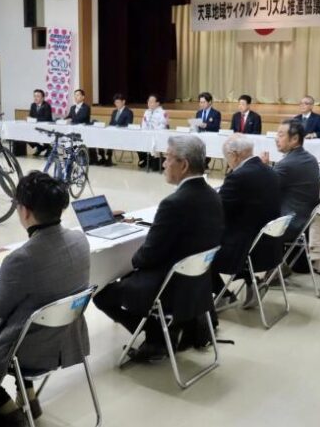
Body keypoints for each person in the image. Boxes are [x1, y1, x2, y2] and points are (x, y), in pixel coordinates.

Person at [0, 171, 90, 427]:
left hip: (29, 351)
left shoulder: (21, 259)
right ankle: (28, 397)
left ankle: (5, 407)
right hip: (66, 341)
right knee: (28, 321)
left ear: (24, 211)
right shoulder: (79, 240)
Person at [94, 135, 223, 362]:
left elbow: (147, 257)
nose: (163, 164)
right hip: (197, 284)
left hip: (168, 288)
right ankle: (162, 333)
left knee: (100, 294)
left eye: (167, 158)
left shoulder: (174, 203)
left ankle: (156, 336)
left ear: (183, 165)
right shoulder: (212, 195)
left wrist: (130, 262)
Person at [211, 134, 280, 308]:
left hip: (243, 248)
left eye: (226, 157)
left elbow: (217, 211)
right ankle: (251, 281)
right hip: (268, 245)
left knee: (194, 246)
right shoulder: (270, 171)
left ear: (234, 155)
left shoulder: (238, 177)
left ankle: (223, 294)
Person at [262, 119, 320, 245]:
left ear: (294, 139)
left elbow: (264, 189)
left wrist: (262, 169)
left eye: (281, 135)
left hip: (289, 224)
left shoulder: (287, 164)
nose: (276, 139)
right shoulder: (311, 159)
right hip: (306, 220)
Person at [97, 93, 133, 166]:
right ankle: (103, 157)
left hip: (122, 134)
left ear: (123, 102)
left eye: (118, 102)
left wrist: (117, 127)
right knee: (100, 136)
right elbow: (111, 123)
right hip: (112, 133)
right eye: (115, 102)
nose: (117, 104)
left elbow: (128, 125)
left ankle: (109, 158)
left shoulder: (128, 112)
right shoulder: (114, 112)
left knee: (111, 138)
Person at [138, 93, 168, 169]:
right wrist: (145, 132)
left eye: (152, 102)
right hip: (147, 135)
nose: (149, 103)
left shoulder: (163, 113)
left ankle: (159, 160)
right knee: (137, 140)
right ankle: (145, 159)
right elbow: (143, 124)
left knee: (154, 168)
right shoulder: (146, 112)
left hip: (157, 136)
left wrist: (153, 132)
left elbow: (163, 126)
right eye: (148, 101)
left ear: (157, 103)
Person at [29, 89, 53, 156]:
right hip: (36, 127)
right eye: (34, 96)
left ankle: (48, 147)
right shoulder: (33, 105)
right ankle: (39, 147)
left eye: (38, 96)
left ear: (42, 98)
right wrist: (29, 119)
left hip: (46, 127)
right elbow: (31, 116)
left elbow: (46, 118)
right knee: (25, 134)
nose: (35, 98)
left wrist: (35, 120)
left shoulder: (47, 105)